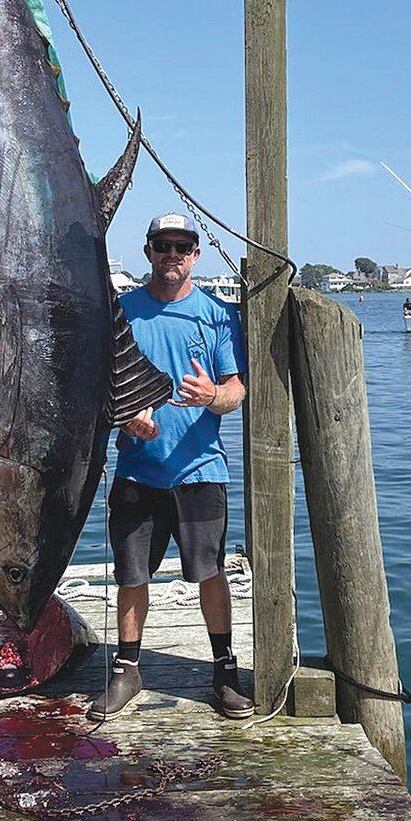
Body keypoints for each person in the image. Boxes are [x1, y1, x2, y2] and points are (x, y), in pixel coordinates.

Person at [88, 213, 252, 721]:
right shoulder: (120, 311)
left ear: (196, 255)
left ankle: (224, 670)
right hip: (138, 470)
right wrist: (125, 415)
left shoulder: (220, 315)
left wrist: (214, 395)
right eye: (164, 245)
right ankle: (127, 671)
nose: (173, 255)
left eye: (183, 246)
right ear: (149, 251)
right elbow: (100, 386)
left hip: (201, 469)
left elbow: (236, 389)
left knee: (210, 573)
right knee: (132, 576)